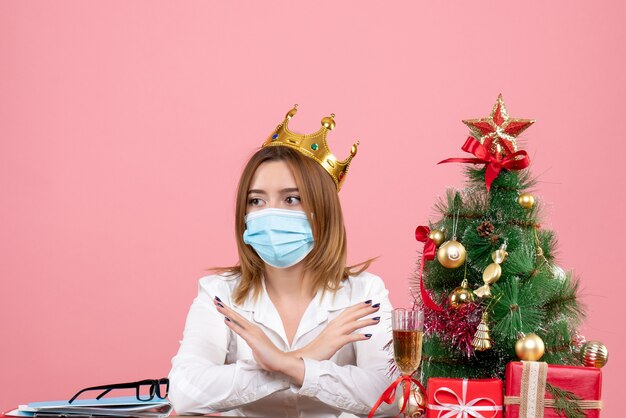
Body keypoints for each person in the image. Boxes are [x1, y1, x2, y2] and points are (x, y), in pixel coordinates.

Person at [168, 106, 398, 417]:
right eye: (256, 200)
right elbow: (185, 392)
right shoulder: (218, 293)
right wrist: (308, 357)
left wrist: (287, 364)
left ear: (323, 211)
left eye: (291, 199)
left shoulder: (364, 292)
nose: (269, 213)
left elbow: (391, 396)